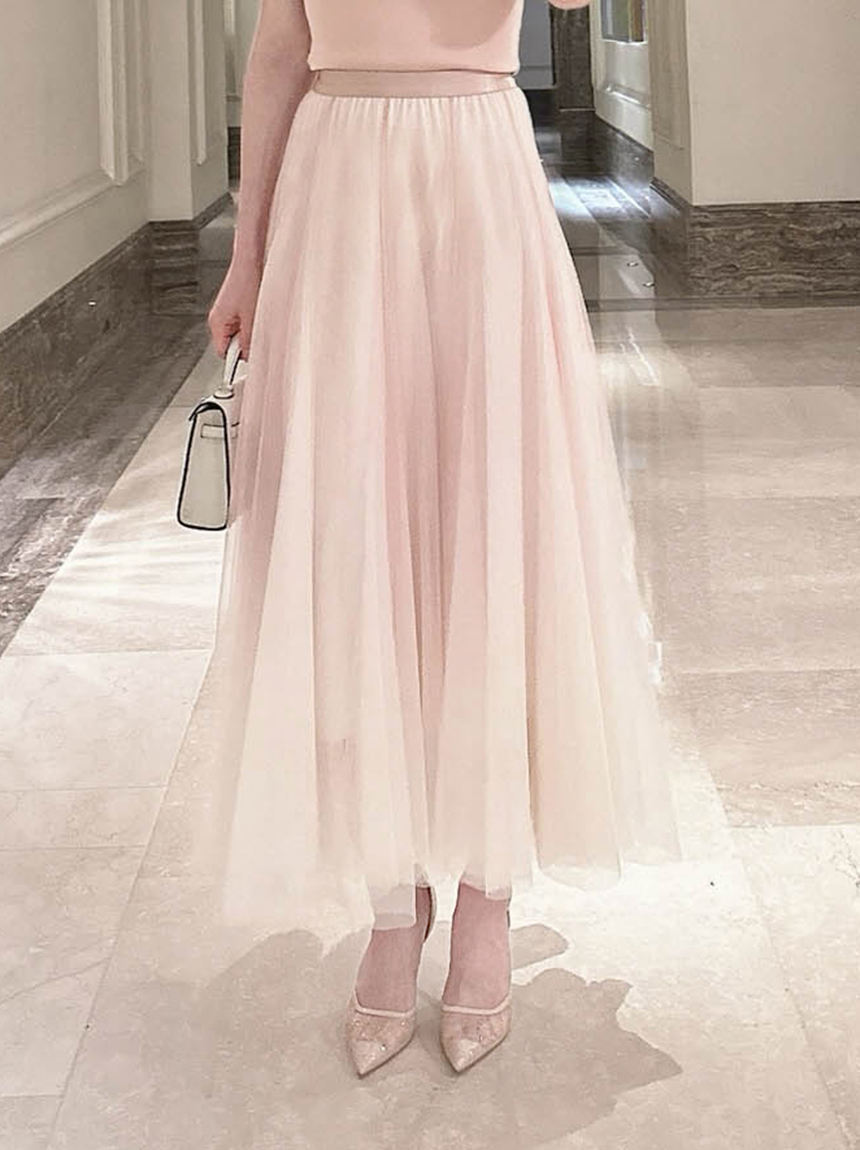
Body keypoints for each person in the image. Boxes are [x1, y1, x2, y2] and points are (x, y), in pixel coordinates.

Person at [207, 0, 682, 1077]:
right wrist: (249, 256)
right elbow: (280, 50)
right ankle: (394, 899)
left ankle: (485, 898)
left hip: (474, 174)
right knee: (352, 541)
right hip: (336, 184)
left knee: (492, 518)